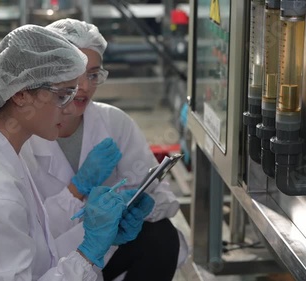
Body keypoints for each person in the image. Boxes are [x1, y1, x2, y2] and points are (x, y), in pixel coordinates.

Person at [0, 24, 153, 281]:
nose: (70, 108)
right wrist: (89, 253)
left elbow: (35, 251)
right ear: (20, 94)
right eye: (63, 95)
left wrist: (98, 236)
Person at [20, 19, 188, 281]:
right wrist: (76, 190)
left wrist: (144, 206)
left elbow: (164, 197)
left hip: (109, 252)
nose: (85, 86)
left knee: (162, 236)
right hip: (51, 262)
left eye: (93, 74)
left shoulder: (114, 123)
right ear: (53, 72)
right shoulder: (28, 135)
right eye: (76, 72)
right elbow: (30, 231)